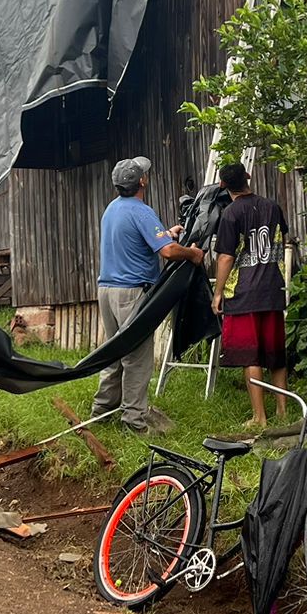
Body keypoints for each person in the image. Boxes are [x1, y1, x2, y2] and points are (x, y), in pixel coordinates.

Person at [92, 156, 204, 433]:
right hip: (131, 292)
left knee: (114, 352)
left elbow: (134, 241)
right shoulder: (141, 211)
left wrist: (165, 233)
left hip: (107, 289)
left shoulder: (112, 209)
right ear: (142, 181)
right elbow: (167, 252)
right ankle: (134, 422)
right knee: (137, 359)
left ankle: (102, 412)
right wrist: (192, 253)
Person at [210, 161, 291, 429]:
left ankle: (259, 417)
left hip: (243, 293)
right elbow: (281, 240)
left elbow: (225, 257)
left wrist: (218, 292)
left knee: (251, 356)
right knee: (276, 353)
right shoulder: (273, 207)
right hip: (272, 289)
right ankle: (282, 411)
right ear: (247, 176)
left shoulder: (231, 214)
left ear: (223, 184)